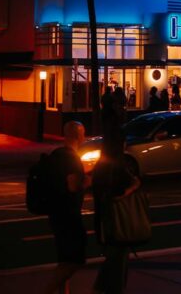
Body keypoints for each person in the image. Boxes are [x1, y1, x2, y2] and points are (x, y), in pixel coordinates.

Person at [44, 121, 91, 294]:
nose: (84, 137)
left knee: (64, 259)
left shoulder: (56, 154)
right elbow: (72, 186)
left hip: (55, 213)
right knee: (76, 260)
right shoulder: (72, 158)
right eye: (83, 133)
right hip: (69, 215)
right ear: (78, 136)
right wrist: (86, 182)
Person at [91, 137, 141, 294]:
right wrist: (134, 186)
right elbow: (118, 193)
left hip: (105, 218)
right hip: (118, 219)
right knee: (118, 259)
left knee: (112, 257)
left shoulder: (101, 165)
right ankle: (112, 289)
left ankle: (100, 288)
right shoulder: (117, 167)